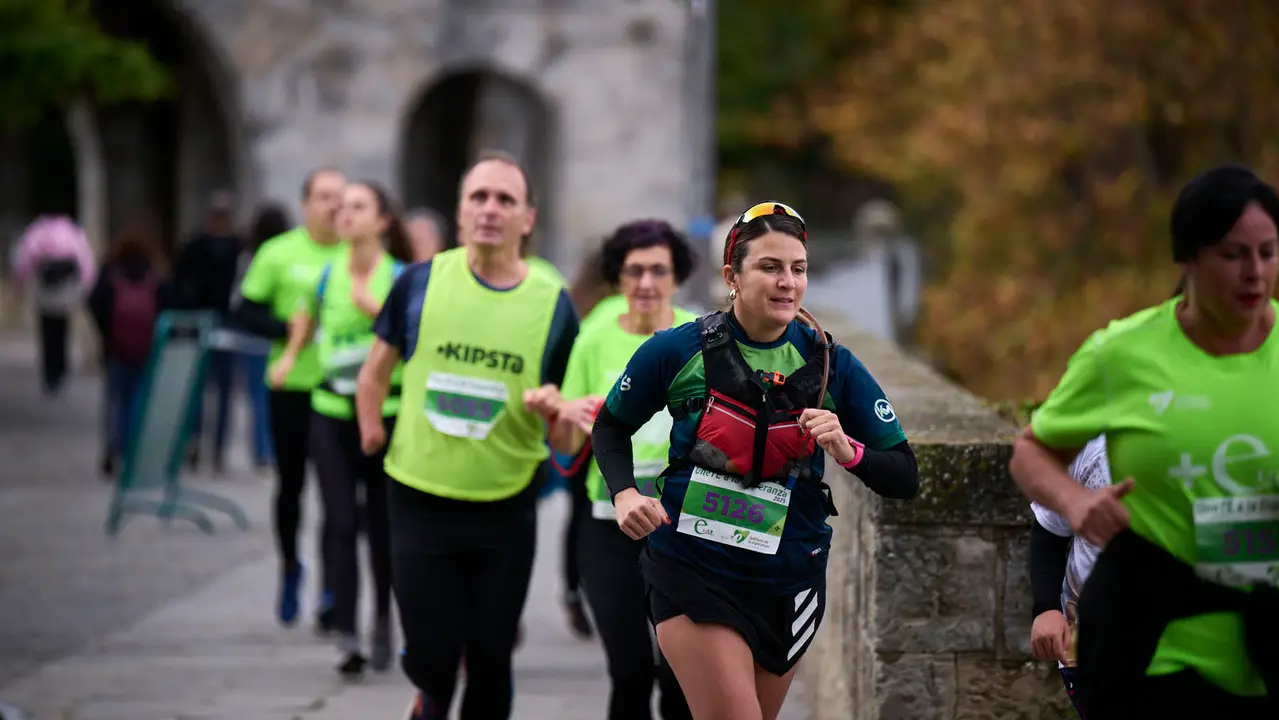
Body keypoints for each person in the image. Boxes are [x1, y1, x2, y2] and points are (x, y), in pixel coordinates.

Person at [591, 202, 920, 720]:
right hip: (693, 567)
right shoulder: (678, 351)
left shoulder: (832, 364)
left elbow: (905, 474)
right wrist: (626, 491)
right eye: (769, 267)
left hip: (788, 580)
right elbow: (610, 425)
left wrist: (846, 449)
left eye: (798, 268)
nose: (787, 282)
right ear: (733, 276)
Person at [1010, 164, 1279, 717]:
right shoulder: (1123, 355)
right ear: (1188, 257)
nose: (1255, 273)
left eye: (1269, 252)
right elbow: (1032, 452)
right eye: (1233, 255)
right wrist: (1077, 503)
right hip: (1155, 639)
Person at [355, 150, 578, 720]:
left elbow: (568, 441)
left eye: (506, 199)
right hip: (418, 494)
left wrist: (554, 412)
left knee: (490, 661)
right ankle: (427, 689)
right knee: (431, 657)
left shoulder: (552, 305)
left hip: (505, 504)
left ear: (528, 218)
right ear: (460, 212)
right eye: (478, 196)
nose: (490, 209)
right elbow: (375, 373)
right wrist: (370, 434)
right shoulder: (419, 283)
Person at [550, 219, 698, 720]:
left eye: (659, 270)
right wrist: (564, 415)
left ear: (677, 277)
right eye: (634, 271)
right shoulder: (594, 338)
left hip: (682, 526)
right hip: (607, 523)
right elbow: (565, 445)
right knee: (630, 671)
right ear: (617, 278)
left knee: (679, 679)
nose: (646, 283)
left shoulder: (700, 337)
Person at [271, 181, 412, 677]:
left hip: (389, 414)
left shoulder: (401, 278)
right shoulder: (326, 275)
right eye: (341, 207)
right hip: (330, 411)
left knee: (382, 526)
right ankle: (347, 633)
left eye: (358, 207)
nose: (344, 214)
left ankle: (381, 623)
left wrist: (377, 314)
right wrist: (289, 358)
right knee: (339, 521)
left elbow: (416, 343)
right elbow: (304, 322)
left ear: (382, 221)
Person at [234, 167, 347, 629]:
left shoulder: (357, 256)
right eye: (323, 197)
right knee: (292, 486)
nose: (333, 207)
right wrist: (287, 331)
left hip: (339, 391)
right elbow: (244, 312)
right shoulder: (278, 254)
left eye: (340, 198)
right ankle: (289, 567)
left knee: (336, 495)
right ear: (305, 205)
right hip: (290, 388)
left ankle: (331, 586)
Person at [1028, 435, 1109, 719]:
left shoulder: (1202, 447)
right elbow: (1048, 532)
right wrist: (1046, 609)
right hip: (1089, 644)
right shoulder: (1088, 444)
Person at [87, 217, 169, 474]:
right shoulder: (155, 272)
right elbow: (167, 305)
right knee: (139, 400)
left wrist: (107, 332)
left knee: (115, 400)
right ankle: (135, 450)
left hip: (116, 349)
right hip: (147, 349)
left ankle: (114, 448)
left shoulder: (111, 271)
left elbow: (94, 302)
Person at [172, 190, 243, 473]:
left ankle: (215, 448)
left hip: (224, 322)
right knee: (200, 389)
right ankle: (198, 442)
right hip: (206, 320)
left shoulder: (234, 246)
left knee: (219, 390)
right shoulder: (199, 245)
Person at [229, 204, 292, 472]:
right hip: (276, 336)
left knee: (258, 398)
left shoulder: (249, 255)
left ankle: (264, 452)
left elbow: (237, 299)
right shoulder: (280, 256)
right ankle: (272, 450)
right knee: (269, 398)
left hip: (255, 338)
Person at [11, 215, 97, 396]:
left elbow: (24, 259)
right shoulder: (72, 232)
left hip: (45, 291)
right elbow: (85, 260)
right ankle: (61, 371)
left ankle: (50, 374)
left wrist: (19, 284)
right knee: (62, 331)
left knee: (47, 333)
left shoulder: (38, 232)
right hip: (65, 291)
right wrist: (87, 286)